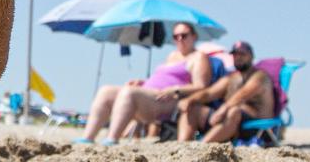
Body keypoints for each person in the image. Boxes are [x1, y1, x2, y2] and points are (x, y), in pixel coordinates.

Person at [76, 23, 212, 145]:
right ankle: (88, 137)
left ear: (194, 36)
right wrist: (143, 82)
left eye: (184, 35)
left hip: (169, 100)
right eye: (176, 36)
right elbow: (163, 78)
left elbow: (202, 86)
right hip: (149, 94)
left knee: (129, 92)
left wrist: (175, 90)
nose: (179, 39)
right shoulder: (172, 55)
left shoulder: (198, 57)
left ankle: (112, 138)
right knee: (106, 91)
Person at [200, 43, 279, 144]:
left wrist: (223, 109)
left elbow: (243, 94)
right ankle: (183, 143)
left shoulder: (259, 76)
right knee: (196, 110)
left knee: (234, 111)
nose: (238, 57)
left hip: (261, 127)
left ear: (251, 56)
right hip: (236, 126)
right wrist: (188, 99)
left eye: (242, 54)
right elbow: (208, 93)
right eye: (235, 55)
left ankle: (203, 144)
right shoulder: (233, 78)